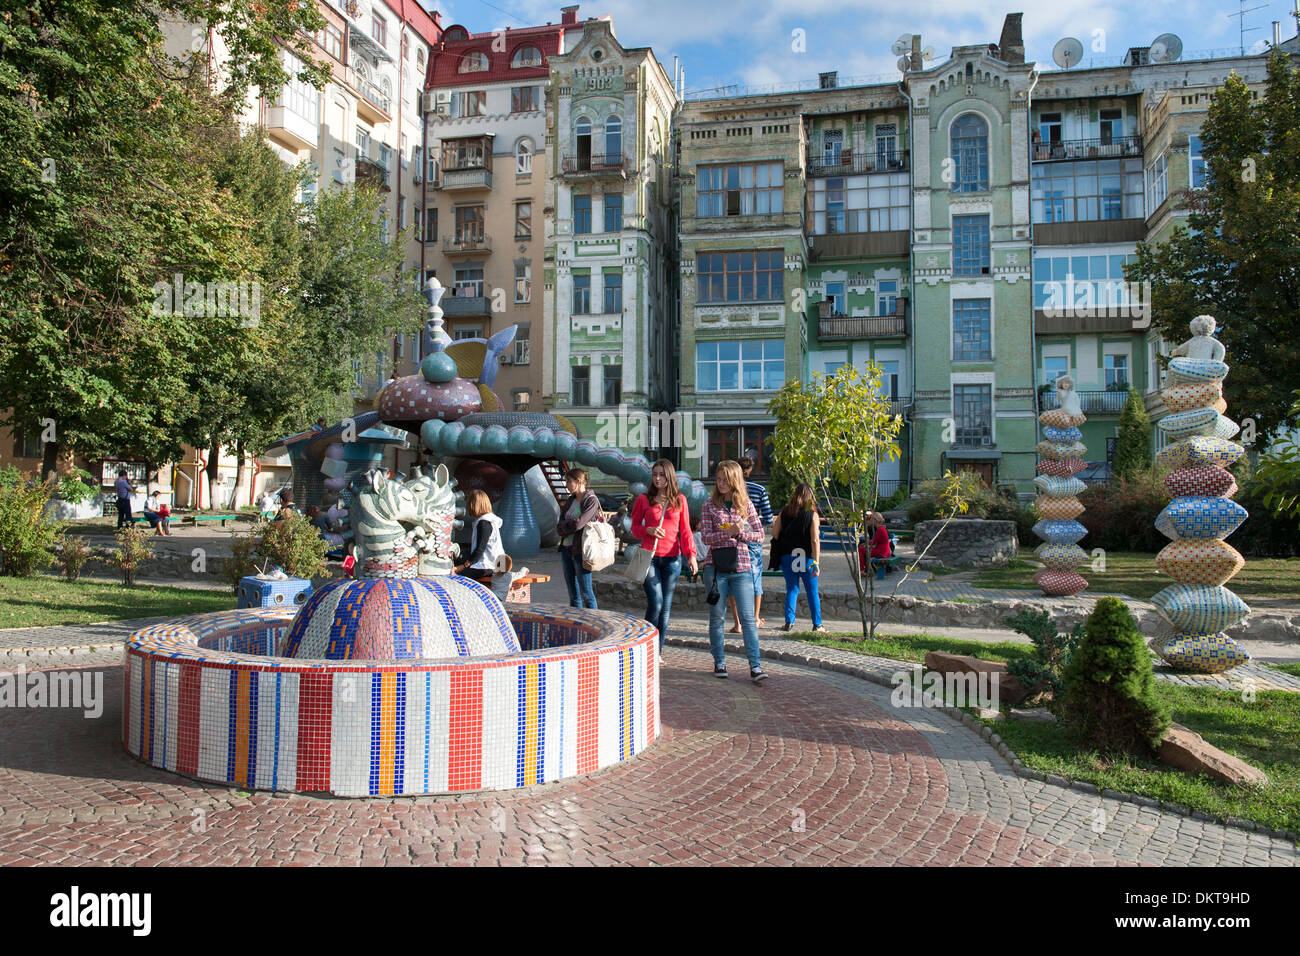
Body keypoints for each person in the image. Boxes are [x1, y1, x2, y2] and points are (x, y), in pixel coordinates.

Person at [701, 460, 767, 683]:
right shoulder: (709, 505)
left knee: (748, 618)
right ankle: (719, 661)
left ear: (734, 481)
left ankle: (755, 666)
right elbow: (706, 538)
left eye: (725, 480)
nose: (720, 484)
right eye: (718, 479)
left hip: (742, 566)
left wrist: (741, 534)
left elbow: (760, 534)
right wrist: (728, 532)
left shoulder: (746, 505)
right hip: (716, 567)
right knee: (717, 617)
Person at [630, 459, 698, 657]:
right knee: (656, 603)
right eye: (655, 475)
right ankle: (646, 648)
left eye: (661, 474)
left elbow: (685, 531)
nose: (658, 478)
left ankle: (656, 652)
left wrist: (691, 556)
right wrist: (647, 530)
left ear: (669, 477)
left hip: (672, 558)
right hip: (648, 557)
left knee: (665, 608)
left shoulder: (679, 499)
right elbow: (634, 529)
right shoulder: (644, 499)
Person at [770, 483, 824, 632]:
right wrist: (817, 562)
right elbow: (815, 539)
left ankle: (789, 622)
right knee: (812, 591)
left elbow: (774, 534)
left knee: (792, 589)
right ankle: (817, 624)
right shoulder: (812, 514)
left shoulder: (785, 511)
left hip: (788, 556)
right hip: (805, 557)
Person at [729, 456, 773, 631]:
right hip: (753, 540)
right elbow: (768, 517)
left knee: (732, 576)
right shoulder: (759, 489)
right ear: (749, 471)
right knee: (755, 577)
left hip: (733, 538)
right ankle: (755, 618)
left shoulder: (729, 490)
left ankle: (737, 622)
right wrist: (753, 528)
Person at [555, 467, 602, 608]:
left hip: (581, 550)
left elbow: (579, 524)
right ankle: (576, 626)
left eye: (569, 481)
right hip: (566, 549)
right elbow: (560, 524)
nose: (567, 485)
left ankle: (593, 624)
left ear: (578, 481)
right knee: (573, 594)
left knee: (586, 593)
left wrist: (568, 525)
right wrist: (570, 523)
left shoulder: (591, 501)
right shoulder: (570, 500)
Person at [456, 490, 505, 584]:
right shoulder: (489, 520)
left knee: (457, 578)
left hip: (487, 565)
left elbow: (480, 549)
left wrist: (464, 565)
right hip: (494, 564)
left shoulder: (484, 523)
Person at [868, 511, 892, 579]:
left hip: (882, 552)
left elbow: (874, 542)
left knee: (862, 550)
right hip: (885, 551)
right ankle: (867, 569)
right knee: (864, 550)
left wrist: (866, 543)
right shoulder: (882, 528)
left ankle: (863, 570)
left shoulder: (880, 529)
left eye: (872, 519)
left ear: (875, 520)